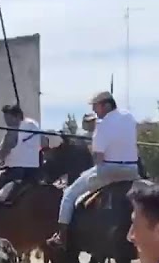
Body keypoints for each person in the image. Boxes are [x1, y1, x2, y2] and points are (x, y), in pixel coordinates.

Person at [50, 91, 140, 246]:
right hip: (133, 170)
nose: (94, 111)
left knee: (69, 194)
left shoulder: (102, 126)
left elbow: (98, 159)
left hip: (109, 171)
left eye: (95, 107)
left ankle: (61, 237)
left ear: (106, 105)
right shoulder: (129, 117)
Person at [0, 103, 48, 235]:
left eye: (9, 118)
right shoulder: (34, 125)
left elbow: (1, 154)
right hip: (35, 173)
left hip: (15, 172)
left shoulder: (12, 131)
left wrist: (1, 154)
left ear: (17, 117)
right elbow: (44, 143)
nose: (6, 122)